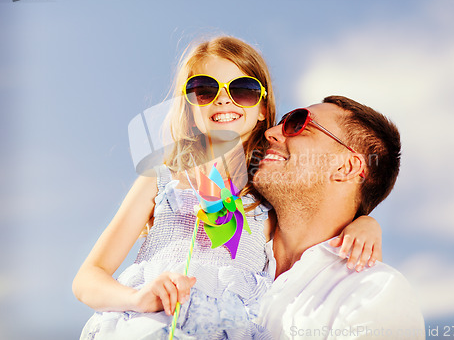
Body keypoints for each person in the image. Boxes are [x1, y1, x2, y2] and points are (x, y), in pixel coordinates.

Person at [73, 37, 383, 339]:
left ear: (263, 108)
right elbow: (87, 278)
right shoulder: (162, 179)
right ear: (190, 107)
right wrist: (138, 298)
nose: (224, 99)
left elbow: (316, 225)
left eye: (243, 90)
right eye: (204, 90)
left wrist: (366, 223)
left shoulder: (269, 194)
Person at [253, 96, 425, 339]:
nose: (271, 132)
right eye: (282, 122)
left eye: (298, 123)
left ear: (346, 167)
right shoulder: (225, 252)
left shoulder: (372, 292)